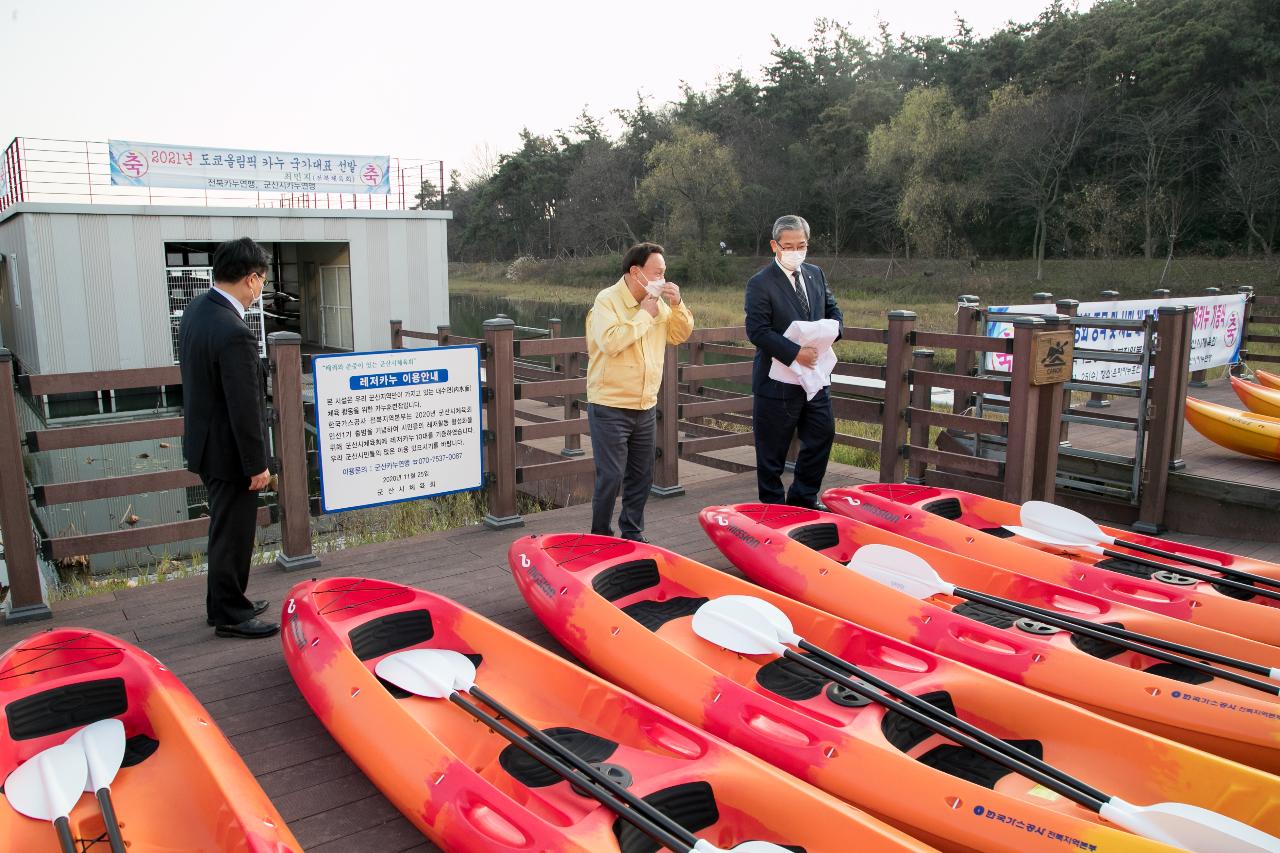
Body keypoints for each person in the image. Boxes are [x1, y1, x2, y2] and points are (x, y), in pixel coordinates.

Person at [179, 237, 278, 639]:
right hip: (230, 452)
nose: (261, 291)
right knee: (233, 533)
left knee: (226, 528)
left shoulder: (198, 311)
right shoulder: (234, 330)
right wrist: (256, 464)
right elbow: (245, 407)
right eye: (262, 282)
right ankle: (229, 615)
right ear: (252, 279)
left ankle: (227, 599)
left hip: (205, 443)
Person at [586, 242, 694, 541]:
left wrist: (678, 304)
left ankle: (632, 533)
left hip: (645, 404)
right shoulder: (607, 301)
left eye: (664, 273)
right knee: (610, 476)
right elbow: (611, 342)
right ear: (636, 272)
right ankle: (601, 536)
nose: (663, 278)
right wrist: (644, 315)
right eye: (657, 272)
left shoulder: (657, 302)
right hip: (609, 405)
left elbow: (678, 334)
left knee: (642, 475)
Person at [745, 215, 843, 508]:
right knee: (771, 450)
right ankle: (774, 507)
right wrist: (794, 352)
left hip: (815, 376)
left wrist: (833, 332)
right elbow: (757, 331)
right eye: (788, 246)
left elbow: (833, 310)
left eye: (801, 245)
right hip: (777, 381)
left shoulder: (815, 274)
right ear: (775, 245)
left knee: (822, 435)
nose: (795, 251)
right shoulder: (760, 283)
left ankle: (803, 499)